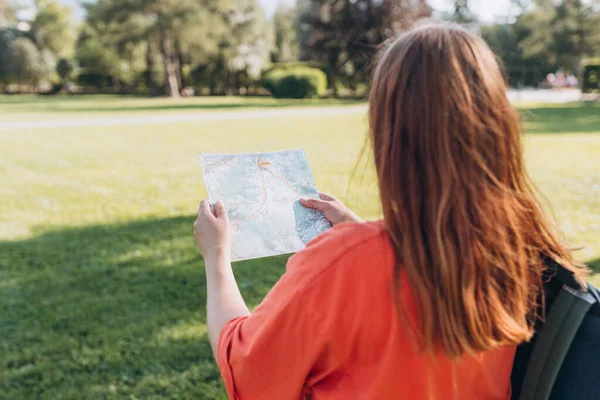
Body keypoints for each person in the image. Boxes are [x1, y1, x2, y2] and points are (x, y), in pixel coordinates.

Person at [193, 23, 586, 399]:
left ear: (389, 130)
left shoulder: (343, 262)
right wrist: (361, 233)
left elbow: (246, 373)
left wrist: (217, 258)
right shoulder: (520, 250)